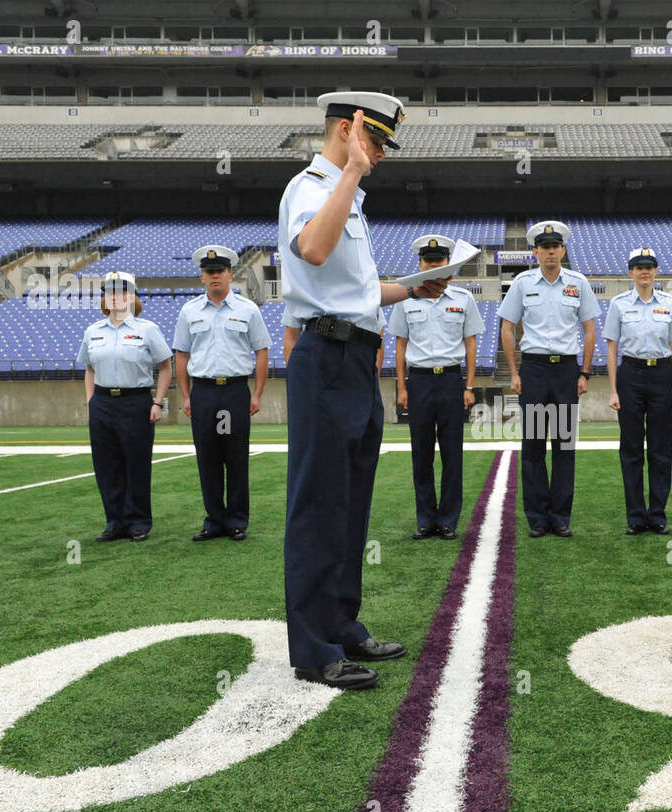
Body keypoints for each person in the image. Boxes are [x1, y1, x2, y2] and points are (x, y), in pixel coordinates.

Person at [278, 91, 446, 691]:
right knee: (318, 505)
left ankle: (343, 625)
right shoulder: (311, 188)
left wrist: (416, 289)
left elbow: (357, 291)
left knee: (349, 503)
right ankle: (313, 647)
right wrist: (349, 169)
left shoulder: (349, 200)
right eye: (373, 139)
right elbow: (314, 251)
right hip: (324, 356)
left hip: (355, 358)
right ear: (346, 130)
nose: (378, 153)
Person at [498, 220, 599, 538]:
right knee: (532, 446)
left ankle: (560, 516)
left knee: (564, 445)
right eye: (544, 247)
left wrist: (584, 372)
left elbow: (590, 329)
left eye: (555, 247)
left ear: (563, 250)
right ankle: (538, 517)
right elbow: (507, 327)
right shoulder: (522, 283)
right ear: (535, 252)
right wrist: (515, 372)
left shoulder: (578, 283)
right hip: (535, 371)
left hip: (566, 371)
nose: (550, 252)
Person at [173, 244, 271, 543]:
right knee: (208, 458)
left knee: (236, 457)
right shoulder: (189, 311)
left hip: (234, 393)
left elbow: (262, 352)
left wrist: (257, 394)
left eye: (219, 271)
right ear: (202, 278)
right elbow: (181, 355)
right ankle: (214, 520)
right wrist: (187, 397)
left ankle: (237, 520)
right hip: (203, 393)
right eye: (208, 272)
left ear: (230, 275)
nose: (214, 276)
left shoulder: (248, 309)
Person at [391, 233, 483, 541]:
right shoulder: (404, 299)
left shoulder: (463, 300)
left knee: (452, 455)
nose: (433, 266)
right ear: (420, 265)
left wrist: (469, 385)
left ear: (449, 267)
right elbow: (400, 346)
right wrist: (401, 387)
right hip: (418, 382)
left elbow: (470, 345)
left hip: (450, 380)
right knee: (421, 454)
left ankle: (448, 520)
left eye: (439, 262)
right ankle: (425, 519)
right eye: (428, 262)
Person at [75, 272, 173, 543]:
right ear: (105, 298)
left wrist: (158, 402)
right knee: (106, 465)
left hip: (136, 401)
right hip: (103, 403)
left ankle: (138, 521)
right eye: (110, 291)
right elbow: (89, 369)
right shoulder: (93, 331)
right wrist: (91, 401)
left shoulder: (147, 329)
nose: (116, 296)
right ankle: (114, 522)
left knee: (136, 464)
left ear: (132, 296)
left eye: (122, 291)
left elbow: (165, 367)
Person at [604, 247, 672, 535]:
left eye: (649, 266)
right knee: (632, 448)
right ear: (630, 272)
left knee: (661, 449)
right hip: (631, 375)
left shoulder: (669, 304)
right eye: (639, 267)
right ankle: (636, 516)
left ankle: (658, 514)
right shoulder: (618, 304)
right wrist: (613, 390)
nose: (644, 271)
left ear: (656, 271)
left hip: (662, 374)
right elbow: (612, 348)